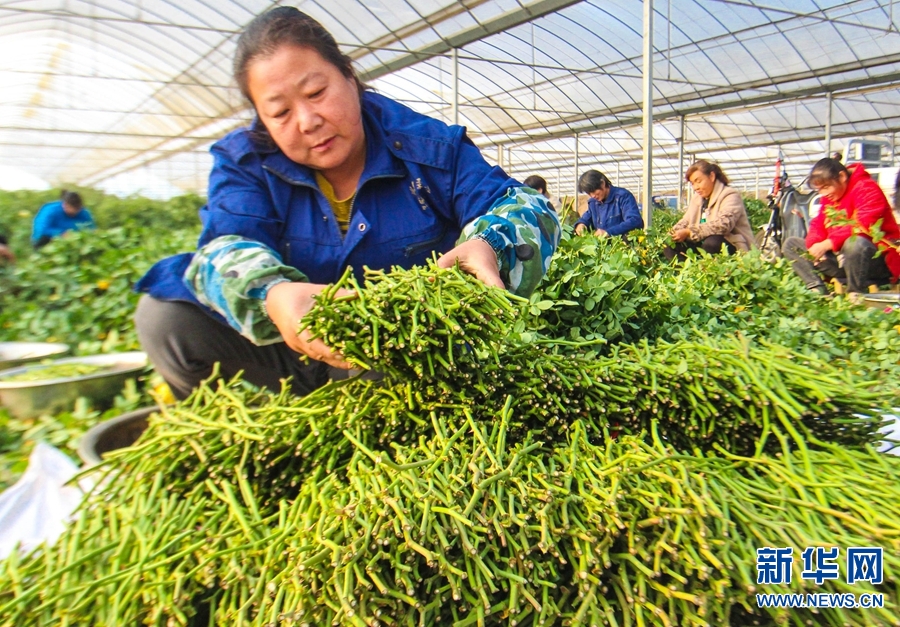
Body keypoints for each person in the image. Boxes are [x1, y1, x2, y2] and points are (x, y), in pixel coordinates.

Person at [134, 7, 560, 400]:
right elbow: (224, 246)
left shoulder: (426, 147)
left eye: (317, 92)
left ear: (349, 77)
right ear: (261, 120)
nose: (307, 121)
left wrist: (491, 243)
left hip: (411, 352)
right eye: (280, 113)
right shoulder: (246, 162)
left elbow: (524, 205)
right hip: (297, 351)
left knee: (404, 370)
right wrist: (273, 295)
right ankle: (281, 423)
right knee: (165, 321)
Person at [782, 157, 899, 297]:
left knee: (855, 242)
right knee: (791, 245)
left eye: (826, 187)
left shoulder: (866, 188)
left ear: (842, 176)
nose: (823, 193)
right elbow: (818, 224)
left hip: (875, 261)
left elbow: (862, 225)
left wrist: (827, 244)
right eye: (819, 189)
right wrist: (815, 247)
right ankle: (817, 290)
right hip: (842, 259)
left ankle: (855, 294)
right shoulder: (829, 197)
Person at [664, 160, 754, 261]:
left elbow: (724, 225)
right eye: (692, 184)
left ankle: (718, 272)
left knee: (712, 242)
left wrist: (690, 232)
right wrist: (672, 233)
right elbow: (685, 221)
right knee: (671, 246)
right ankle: (688, 273)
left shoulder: (730, 195)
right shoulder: (697, 199)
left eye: (698, 181)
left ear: (711, 176)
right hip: (702, 244)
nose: (695, 187)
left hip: (731, 246)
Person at [573, 170, 643, 239]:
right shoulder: (593, 203)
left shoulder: (622, 196)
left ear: (602, 183)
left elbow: (634, 220)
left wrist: (608, 232)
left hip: (622, 245)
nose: (592, 196)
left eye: (594, 191)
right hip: (602, 246)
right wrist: (581, 224)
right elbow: (586, 218)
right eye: (589, 193)